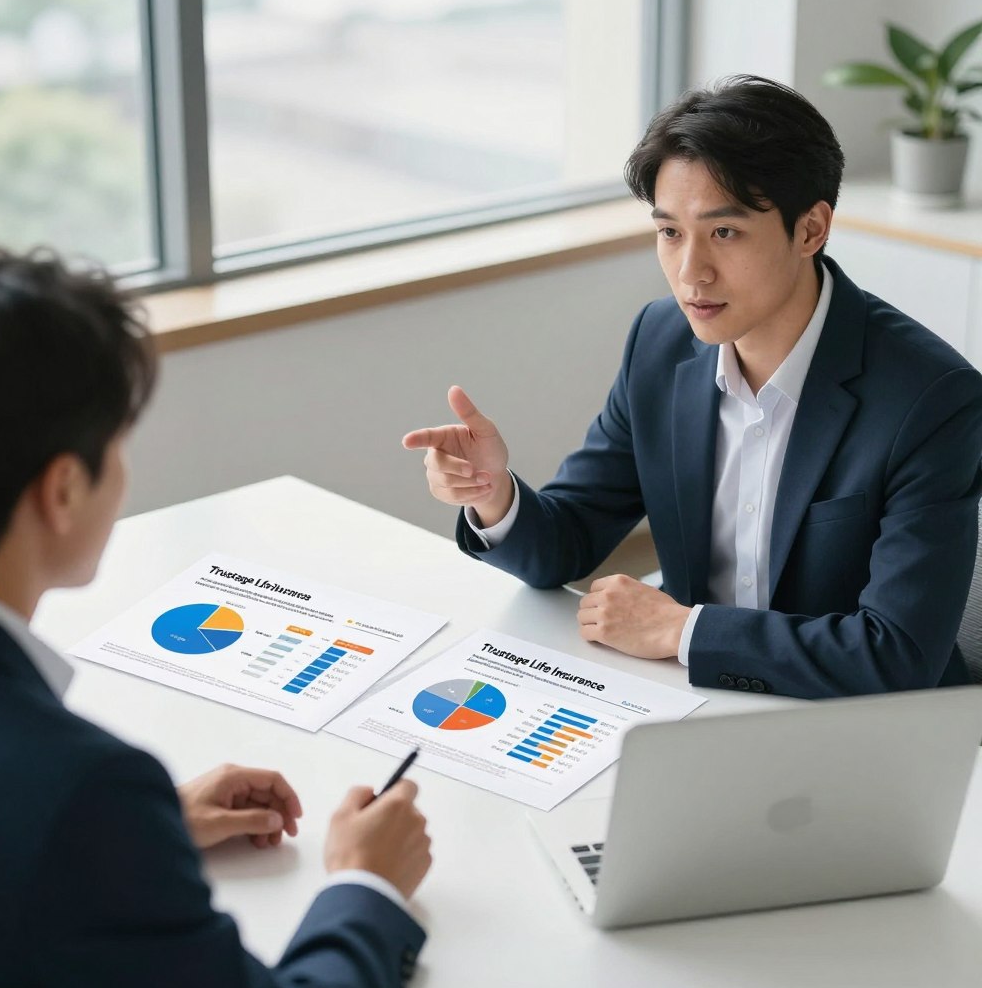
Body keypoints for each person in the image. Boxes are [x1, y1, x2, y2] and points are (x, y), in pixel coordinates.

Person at [0, 246, 431, 988]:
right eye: (118, 444)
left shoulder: (79, 809)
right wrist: (364, 884)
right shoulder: (85, 793)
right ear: (64, 489)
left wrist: (150, 834)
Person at [403, 75, 982, 701]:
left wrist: (684, 633)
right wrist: (494, 496)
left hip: (860, 727)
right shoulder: (660, 342)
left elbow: (898, 655)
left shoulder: (933, 398)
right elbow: (568, 542)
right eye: (670, 232)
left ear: (812, 228)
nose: (690, 273)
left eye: (724, 233)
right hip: (692, 697)